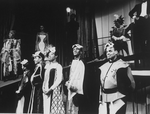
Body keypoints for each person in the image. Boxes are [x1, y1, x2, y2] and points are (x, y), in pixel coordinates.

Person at [98, 41, 135, 114]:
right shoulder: (103, 66)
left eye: (110, 51)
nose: (107, 53)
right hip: (105, 98)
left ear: (116, 52)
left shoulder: (122, 65)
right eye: (106, 51)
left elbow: (131, 83)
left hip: (118, 97)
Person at [42, 44, 65, 114]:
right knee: (46, 108)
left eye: (52, 54)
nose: (49, 55)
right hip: (46, 90)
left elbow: (59, 79)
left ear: (56, 56)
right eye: (49, 54)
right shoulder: (48, 66)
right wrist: (43, 88)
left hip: (53, 90)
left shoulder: (58, 66)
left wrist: (51, 89)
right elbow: (45, 79)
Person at [65, 44, 85, 114]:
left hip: (76, 91)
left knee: (75, 109)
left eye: (77, 49)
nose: (75, 51)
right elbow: (71, 75)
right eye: (74, 49)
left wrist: (74, 87)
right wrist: (68, 82)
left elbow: (80, 78)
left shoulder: (81, 63)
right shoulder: (73, 62)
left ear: (81, 52)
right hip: (70, 89)